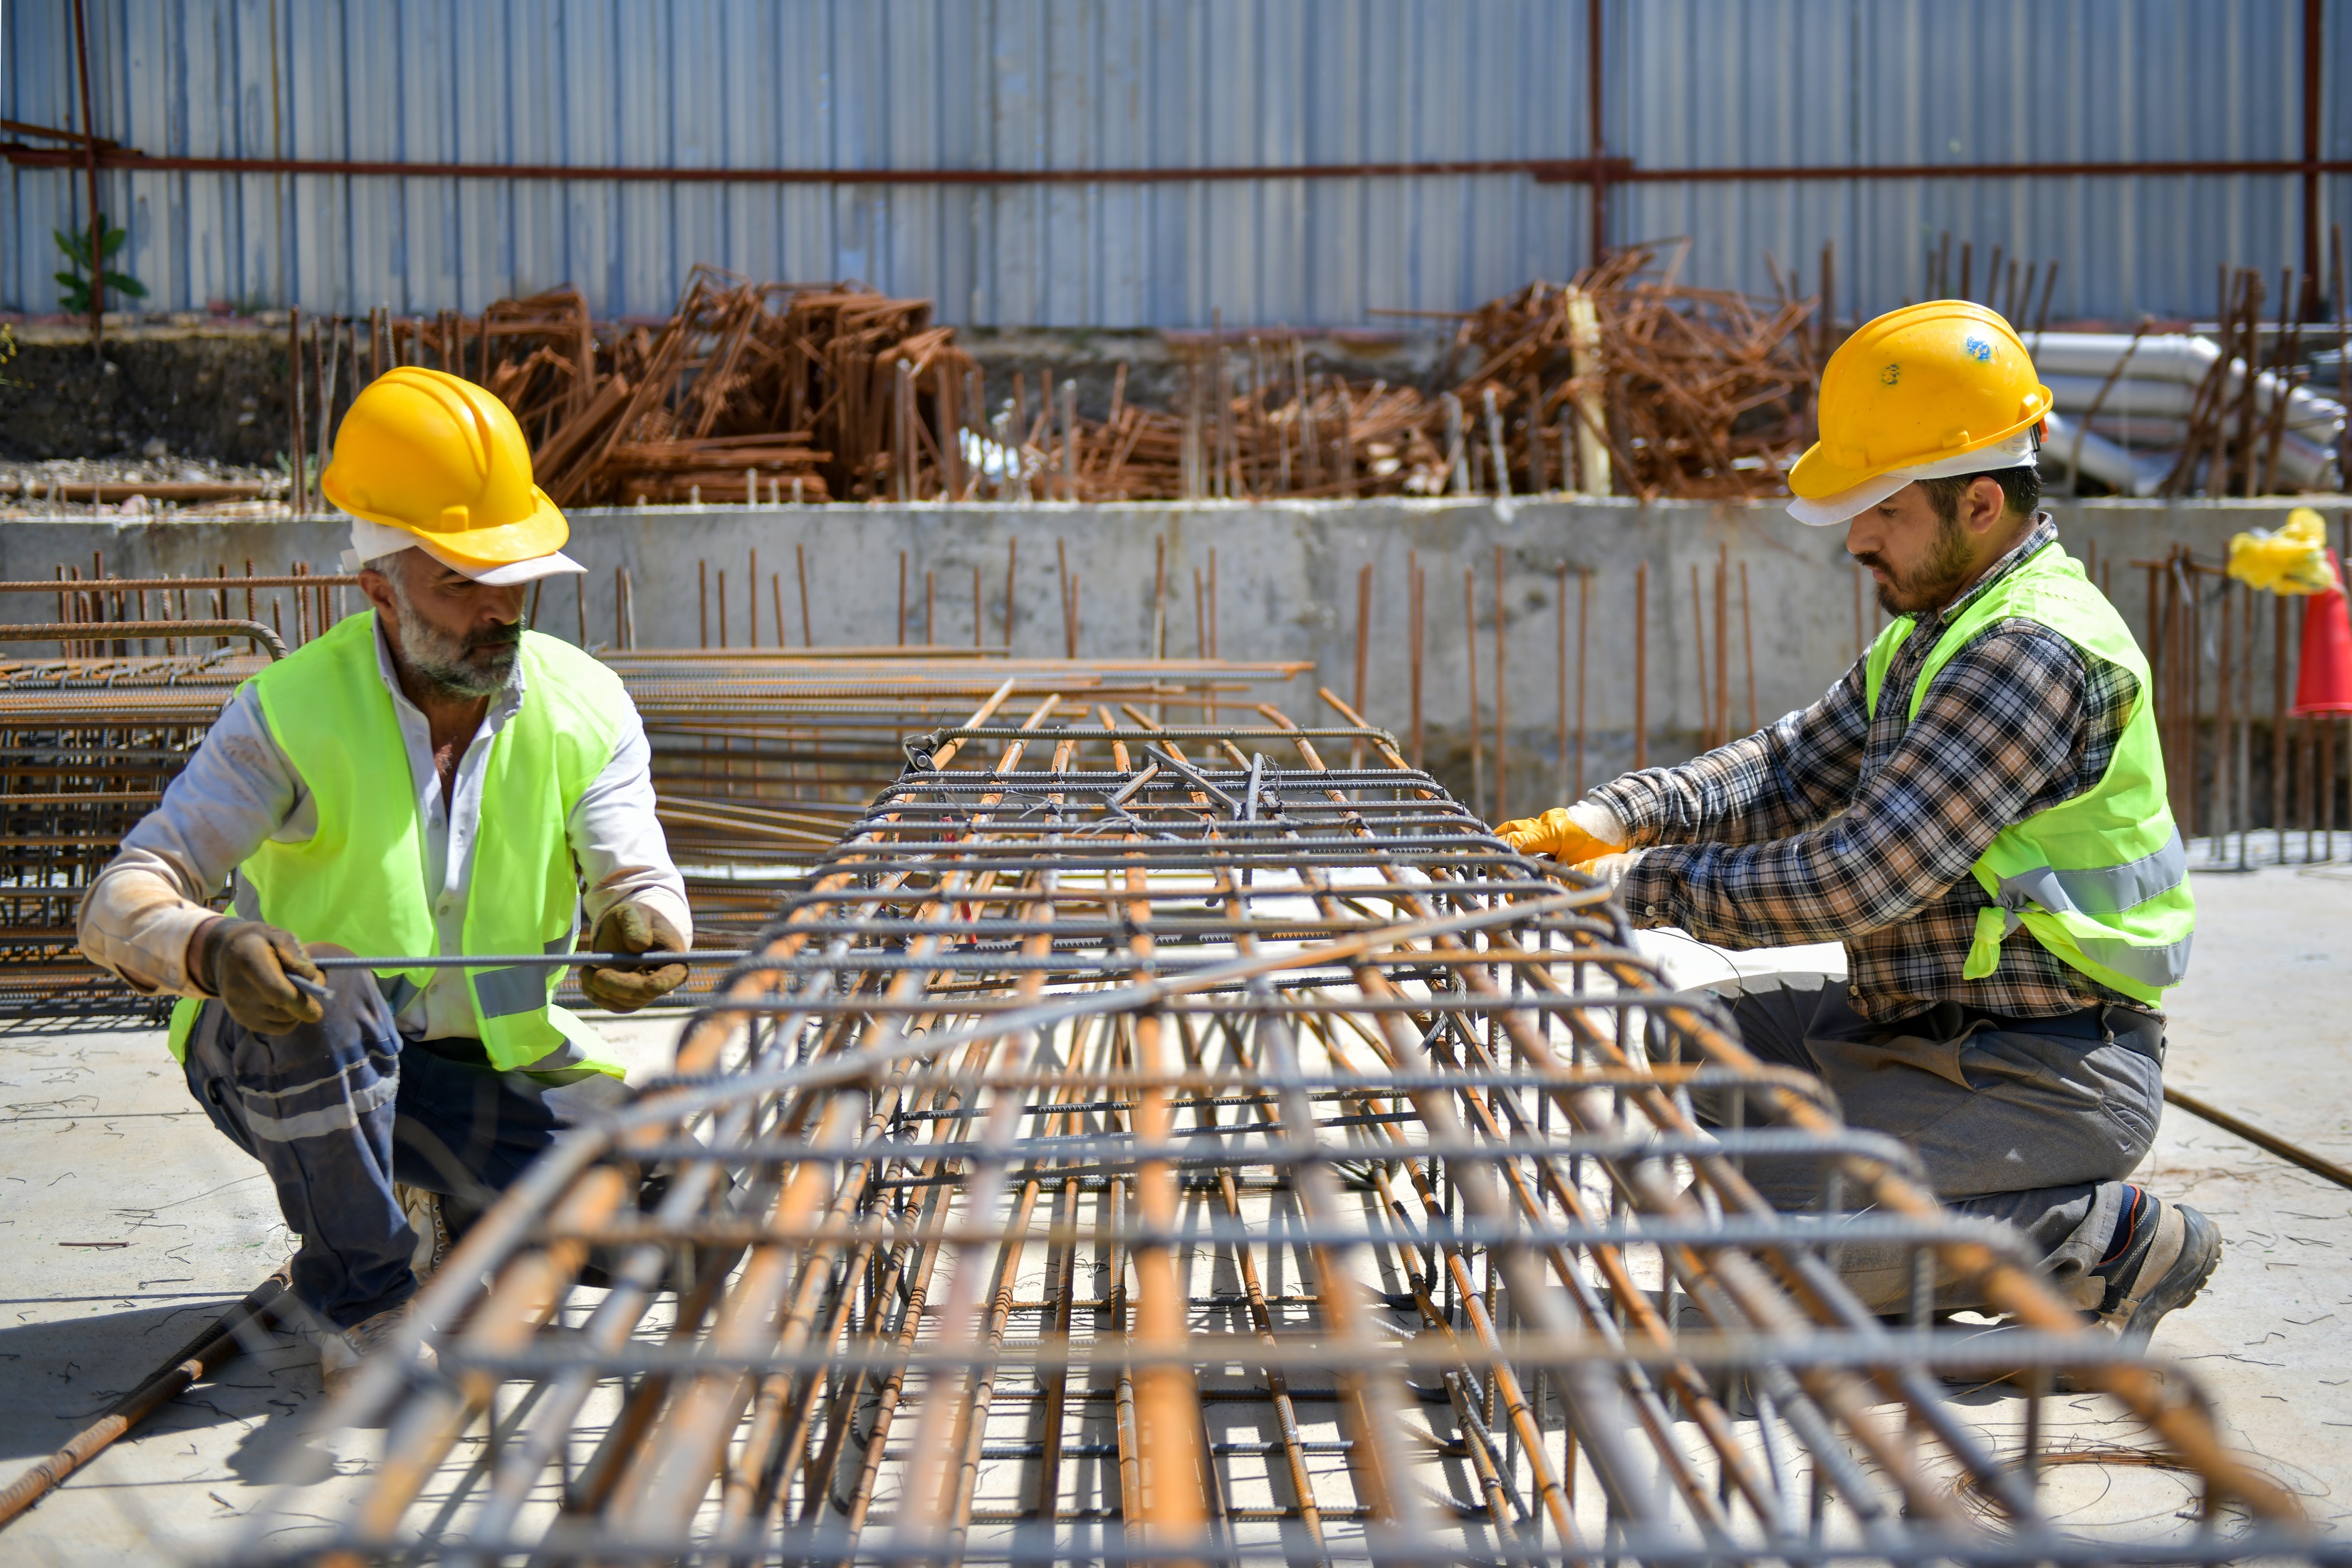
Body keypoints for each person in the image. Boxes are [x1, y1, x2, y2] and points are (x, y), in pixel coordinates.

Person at [1500, 301, 2215, 1347]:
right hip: (1913, 1025)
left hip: (2040, 1068)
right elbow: (1789, 767)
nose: (1858, 537)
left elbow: (1860, 875)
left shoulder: (2029, 653)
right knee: (1671, 1051)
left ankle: (2093, 1238)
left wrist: (1635, 888)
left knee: (1750, 1281)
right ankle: (1874, 1207)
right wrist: (1612, 816)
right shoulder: (1937, 630)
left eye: (1881, 506)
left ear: (1979, 502)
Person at [78, 367, 691, 1393]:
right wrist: (213, 948)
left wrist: (646, 930)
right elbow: (118, 898)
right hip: (303, 1060)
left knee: (679, 1215)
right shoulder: (289, 713)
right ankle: (366, 1296)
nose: (499, 610)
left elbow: (640, 872)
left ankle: (443, 1205)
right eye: (461, 583)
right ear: (380, 587)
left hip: (480, 1078)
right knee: (331, 999)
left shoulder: (585, 706)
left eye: (514, 578)